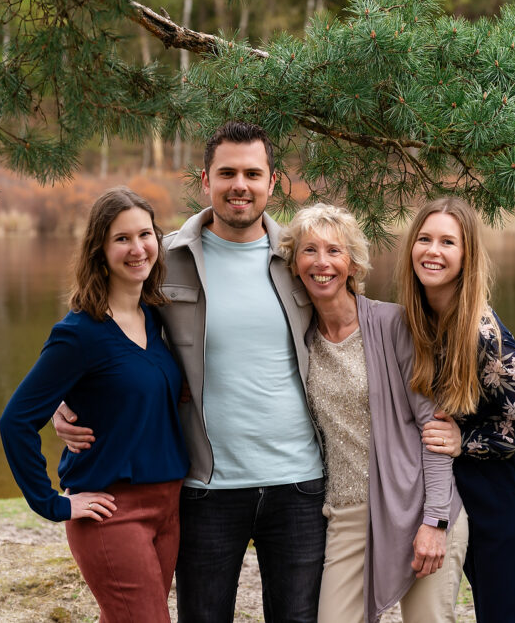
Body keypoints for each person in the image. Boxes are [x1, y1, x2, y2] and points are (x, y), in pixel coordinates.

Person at [53, 121, 327, 622]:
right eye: (226, 173)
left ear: (273, 181)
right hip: (205, 486)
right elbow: (101, 325)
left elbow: (354, 328)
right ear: (206, 180)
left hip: (300, 484)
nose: (238, 185)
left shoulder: (302, 258)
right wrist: (64, 398)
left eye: (252, 173)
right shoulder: (163, 257)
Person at [0, 187, 188, 622]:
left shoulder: (156, 318)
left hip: (168, 507)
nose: (137, 248)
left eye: (145, 234)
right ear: (99, 250)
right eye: (122, 238)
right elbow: (16, 421)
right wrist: (54, 504)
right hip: (111, 513)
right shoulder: (79, 333)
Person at [279, 204, 467, 623]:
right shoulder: (299, 340)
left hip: (416, 507)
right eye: (309, 250)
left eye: (334, 251)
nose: (321, 262)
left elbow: (434, 428)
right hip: (346, 517)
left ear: (352, 264)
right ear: (294, 263)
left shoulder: (393, 324)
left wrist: (435, 521)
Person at [399, 198, 515, 622]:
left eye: (447, 242)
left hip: (508, 497)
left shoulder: (479, 333)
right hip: (468, 498)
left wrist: (468, 440)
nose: (432, 251)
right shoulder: (422, 321)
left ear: (466, 255)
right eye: (424, 239)